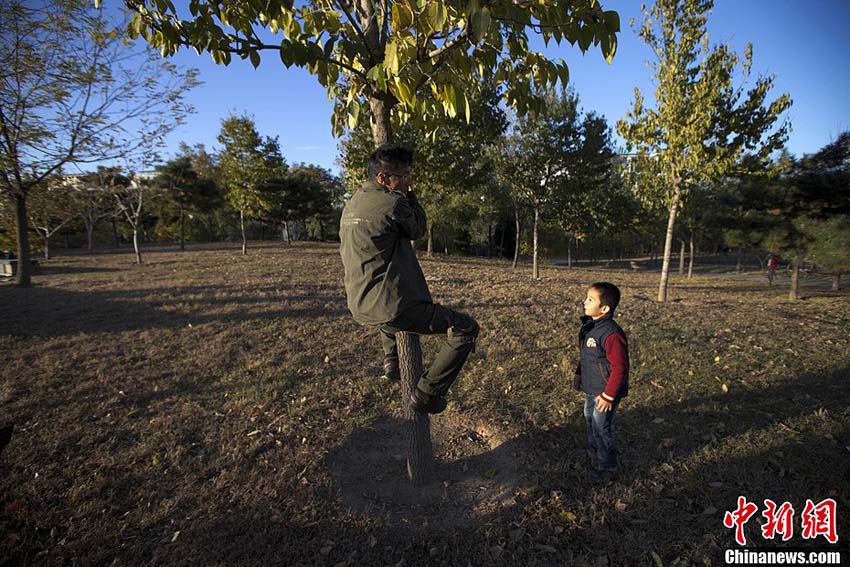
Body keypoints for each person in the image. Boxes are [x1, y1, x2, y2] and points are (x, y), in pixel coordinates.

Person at [339, 144, 479, 414]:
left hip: (359, 303)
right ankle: (428, 393)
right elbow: (417, 228)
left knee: (385, 305)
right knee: (465, 328)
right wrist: (413, 198)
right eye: (403, 176)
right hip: (392, 307)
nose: (408, 182)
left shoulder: (352, 203)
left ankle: (392, 361)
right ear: (382, 178)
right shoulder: (393, 202)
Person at [572, 282, 629, 483]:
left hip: (605, 392)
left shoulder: (611, 334)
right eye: (586, 297)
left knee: (601, 426)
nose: (584, 302)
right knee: (589, 415)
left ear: (604, 308)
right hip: (592, 386)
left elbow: (620, 368)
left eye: (590, 299)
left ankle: (608, 467)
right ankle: (594, 449)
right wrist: (579, 374)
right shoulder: (591, 326)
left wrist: (608, 395)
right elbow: (587, 356)